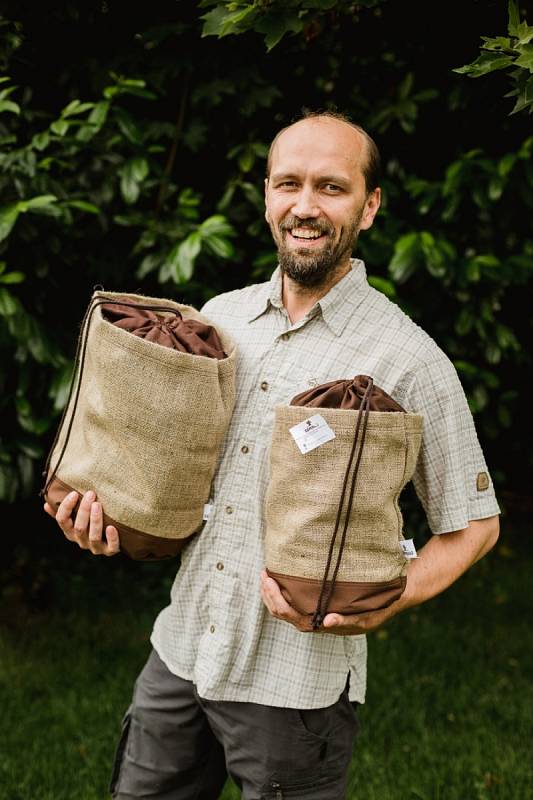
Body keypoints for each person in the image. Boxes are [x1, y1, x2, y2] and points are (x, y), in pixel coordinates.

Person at [44, 110, 501, 800]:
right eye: (288, 184)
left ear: (369, 206)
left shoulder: (407, 360)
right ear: (265, 197)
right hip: (181, 648)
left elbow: (473, 524)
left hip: (295, 682)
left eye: (331, 187)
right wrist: (110, 516)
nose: (305, 207)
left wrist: (390, 597)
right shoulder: (216, 322)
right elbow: (165, 476)